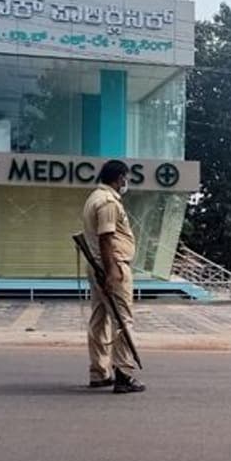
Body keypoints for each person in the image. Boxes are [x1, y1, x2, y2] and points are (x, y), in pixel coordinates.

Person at [82, 160, 145, 394]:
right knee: (123, 320)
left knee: (99, 319)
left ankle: (99, 372)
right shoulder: (108, 202)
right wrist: (112, 272)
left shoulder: (93, 198)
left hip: (98, 265)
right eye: (125, 179)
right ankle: (123, 375)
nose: (125, 183)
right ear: (119, 178)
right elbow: (106, 238)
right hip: (112, 266)